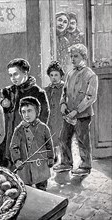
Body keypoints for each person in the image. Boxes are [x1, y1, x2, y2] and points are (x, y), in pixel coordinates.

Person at [53, 44, 98, 175]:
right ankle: (66, 162)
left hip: (82, 114)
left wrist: (76, 111)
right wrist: (62, 104)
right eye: (71, 56)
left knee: (82, 140)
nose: (72, 59)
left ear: (83, 57)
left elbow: (90, 97)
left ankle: (85, 165)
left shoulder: (90, 75)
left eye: (76, 56)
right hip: (69, 114)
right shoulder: (70, 73)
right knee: (63, 138)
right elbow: (64, 92)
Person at [1, 58, 50, 169]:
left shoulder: (37, 92)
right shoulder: (9, 91)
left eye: (16, 74)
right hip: (12, 135)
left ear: (25, 73)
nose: (13, 78)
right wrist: (3, 103)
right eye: (10, 75)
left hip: (29, 136)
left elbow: (44, 116)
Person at [10, 97, 54, 191]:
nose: (26, 115)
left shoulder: (43, 128)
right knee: (27, 189)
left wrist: (50, 158)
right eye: (23, 112)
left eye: (29, 111)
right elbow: (14, 147)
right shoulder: (19, 130)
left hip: (40, 165)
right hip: (25, 167)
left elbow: (49, 145)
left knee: (42, 187)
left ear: (37, 111)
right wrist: (17, 160)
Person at [44, 61, 65, 163]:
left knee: (61, 135)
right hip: (50, 116)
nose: (54, 77)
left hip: (61, 116)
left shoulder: (65, 88)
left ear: (61, 75)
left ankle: (63, 157)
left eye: (56, 75)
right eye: (51, 75)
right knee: (50, 134)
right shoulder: (46, 90)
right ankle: (53, 154)